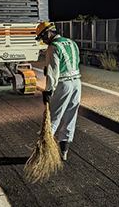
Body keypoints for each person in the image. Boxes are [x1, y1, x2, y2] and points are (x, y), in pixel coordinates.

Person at [36, 21, 81, 161]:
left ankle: (44, 151)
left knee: (53, 116)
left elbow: (53, 72)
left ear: (48, 34)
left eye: (42, 38)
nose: (43, 41)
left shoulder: (53, 47)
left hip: (63, 84)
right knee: (71, 116)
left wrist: (48, 90)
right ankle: (64, 150)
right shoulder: (71, 43)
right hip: (77, 83)